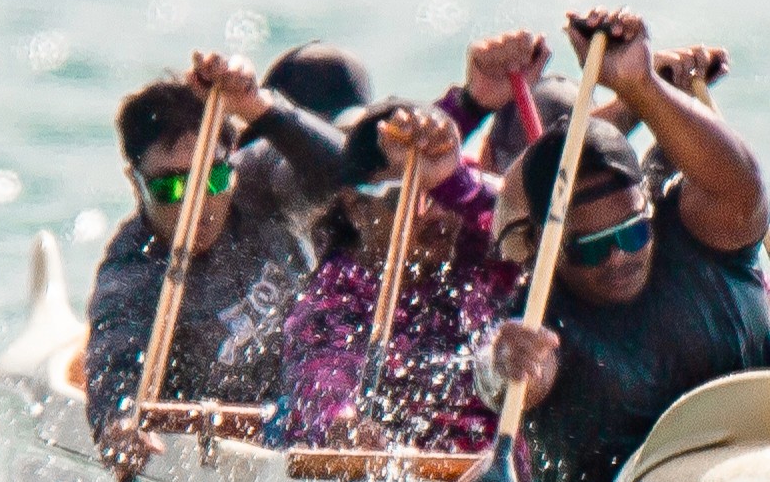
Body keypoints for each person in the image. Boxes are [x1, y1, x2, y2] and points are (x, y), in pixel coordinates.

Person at [480, 10, 770, 482]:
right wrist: (502, 367)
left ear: (648, 207)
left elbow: (744, 182)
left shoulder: (707, 232)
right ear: (548, 248)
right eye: (590, 247)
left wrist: (640, 85)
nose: (617, 257)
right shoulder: (540, 313)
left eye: (632, 233)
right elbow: (500, 378)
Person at [82, 52, 351, 448]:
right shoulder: (132, 272)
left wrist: (255, 107)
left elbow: (351, 171)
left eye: (213, 178)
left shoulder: (259, 183)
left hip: (317, 409)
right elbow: (115, 360)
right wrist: (120, 422)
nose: (196, 203)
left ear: (233, 162)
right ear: (134, 183)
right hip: (216, 445)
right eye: (170, 187)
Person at [273, 99, 517, 451]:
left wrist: (457, 183)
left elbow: (539, 225)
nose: (437, 214)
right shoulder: (328, 304)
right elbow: (324, 381)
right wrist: (346, 425)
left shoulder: (477, 253)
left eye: (444, 194)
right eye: (413, 196)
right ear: (356, 206)